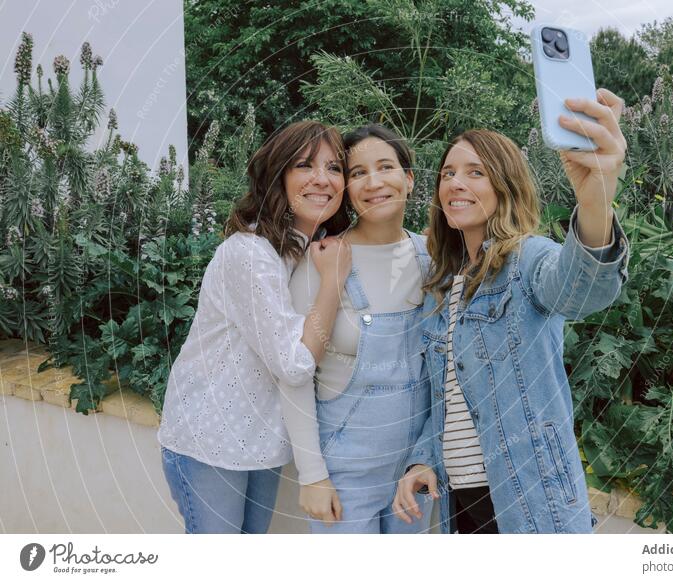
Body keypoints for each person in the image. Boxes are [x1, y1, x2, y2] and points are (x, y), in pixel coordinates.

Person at [393, 89, 631, 533]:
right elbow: (445, 400)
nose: (455, 183)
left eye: (475, 172)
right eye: (447, 173)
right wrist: (422, 461)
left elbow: (581, 290)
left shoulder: (526, 259)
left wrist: (597, 198)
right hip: (457, 504)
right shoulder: (440, 287)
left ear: (504, 186)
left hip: (530, 500)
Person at [157, 121, 352, 533]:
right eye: (305, 165)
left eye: (335, 168)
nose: (323, 179)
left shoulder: (308, 252)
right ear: (278, 176)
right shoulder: (249, 254)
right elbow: (295, 364)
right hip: (210, 441)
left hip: (264, 443)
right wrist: (333, 283)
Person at [279, 124, 433, 533]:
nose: (374, 181)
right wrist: (312, 475)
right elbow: (295, 378)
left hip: (414, 474)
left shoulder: (433, 259)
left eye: (386, 166)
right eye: (358, 172)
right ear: (346, 188)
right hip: (343, 477)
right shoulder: (321, 261)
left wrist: (428, 458)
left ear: (409, 179)